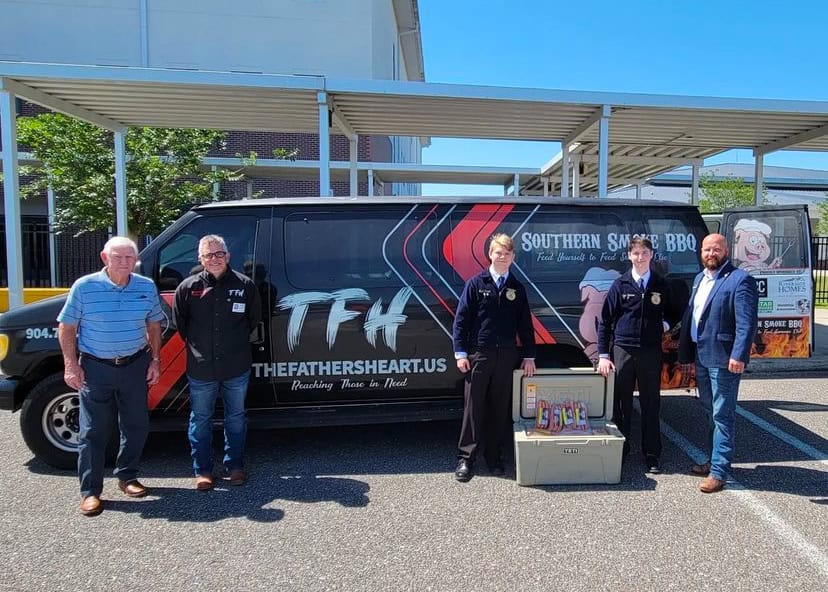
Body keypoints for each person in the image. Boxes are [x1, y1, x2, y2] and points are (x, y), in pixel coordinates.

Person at [57, 236, 164, 517]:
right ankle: (90, 492)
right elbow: (67, 327)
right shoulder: (85, 287)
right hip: (96, 368)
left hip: (134, 365)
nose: (125, 262)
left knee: (136, 425)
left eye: (130, 258)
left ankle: (127, 476)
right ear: (105, 258)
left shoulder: (146, 286)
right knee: (93, 431)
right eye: (119, 257)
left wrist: (155, 360)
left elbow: (154, 325)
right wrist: (71, 365)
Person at [173, 235, 261, 490]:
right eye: (208, 255)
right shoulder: (187, 288)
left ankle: (234, 466)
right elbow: (182, 326)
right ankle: (203, 470)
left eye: (219, 253)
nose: (214, 259)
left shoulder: (245, 286)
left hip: (236, 365)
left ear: (228, 256)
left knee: (236, 417)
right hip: (201, 368)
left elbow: (252, 321)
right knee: (200, 419)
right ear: (200, 259)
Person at [452, 233, 536, 482]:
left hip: (507, 355)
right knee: (473, 408)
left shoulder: (517, 288)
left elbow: (525, 326)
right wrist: (460, 353)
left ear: (513, 257)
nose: (503, 257)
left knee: (500, 408)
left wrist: (529, 356)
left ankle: (494, 456)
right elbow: (461, 320)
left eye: (507, 254)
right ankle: (466, 458)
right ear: (490, 254)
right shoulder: (476, 283)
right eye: (499, 252)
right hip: (479, 354)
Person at [678, 233, 758, 493]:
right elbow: (694, 317)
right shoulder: (700, 278)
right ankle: (713, 460)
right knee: (710, 411)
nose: (711, 254)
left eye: (716, 249)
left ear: (726, 251)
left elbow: (746, 323)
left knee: (723, 415)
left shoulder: (740, 280)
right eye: (706, 249)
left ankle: (719, 472)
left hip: (724, 359)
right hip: (702, 356)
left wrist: (738, 355)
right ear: (701, 252)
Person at [597, 237, 680, 474]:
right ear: (629, 256)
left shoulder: (661, 284)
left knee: (650, 403)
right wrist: (604, 354)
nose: (640, 257)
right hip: (622, 350)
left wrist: (664, 325)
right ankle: (620, 450)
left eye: (645, 252)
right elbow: (605, 321)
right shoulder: (620, 285)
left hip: (650, 351)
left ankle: (652, 453)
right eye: (636, 253)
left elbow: (676, 311)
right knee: (620, 403)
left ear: (652, 255)